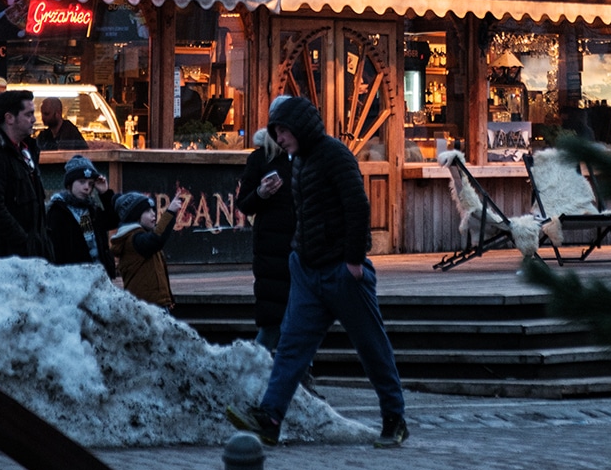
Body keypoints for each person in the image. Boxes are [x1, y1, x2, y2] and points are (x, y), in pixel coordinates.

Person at [227, 95, 408, 449]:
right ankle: (271, 418)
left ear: (300, 126)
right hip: (307, 271)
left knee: (371, 347)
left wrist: (354, 261)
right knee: (291, 348)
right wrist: (297, 254)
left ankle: (394, 417)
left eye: (283, 130)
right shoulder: (299, 160)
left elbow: (357, 206)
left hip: (341, 270)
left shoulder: (334, 154)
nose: (279, 138)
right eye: (276, 132)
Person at [0, 88, 53, 265]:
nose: (34, 119)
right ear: (9, 118)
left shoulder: (26, 151)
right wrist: (23, 241)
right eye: (28, 114)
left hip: (25, 260)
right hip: (1, 263)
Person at [236, 124, 297, 350]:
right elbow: (245, 203)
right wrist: (261, 193)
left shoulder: (302, 157)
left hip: (298, 244)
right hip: (271, 248)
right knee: (273, 320)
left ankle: (298, 374)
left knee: (298, 320)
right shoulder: (261, 158)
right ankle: (257, 370)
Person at [46, 155, 118, 277]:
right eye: (81, 182)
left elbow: (113, 220)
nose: (86, 187)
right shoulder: (59, 211)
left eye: (90, 184)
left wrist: (105, 193)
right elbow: (57, 251)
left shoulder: (89, 210)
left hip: (98, 278)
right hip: (74, 281)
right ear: (69, 184)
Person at [110, 191, 183, 308]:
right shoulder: (135, 240)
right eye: (147, 211)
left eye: (153, 210)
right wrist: (170, 212)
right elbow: (156, 239)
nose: (153, 214)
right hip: (146, 306)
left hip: (152, 302)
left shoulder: (140, 236)